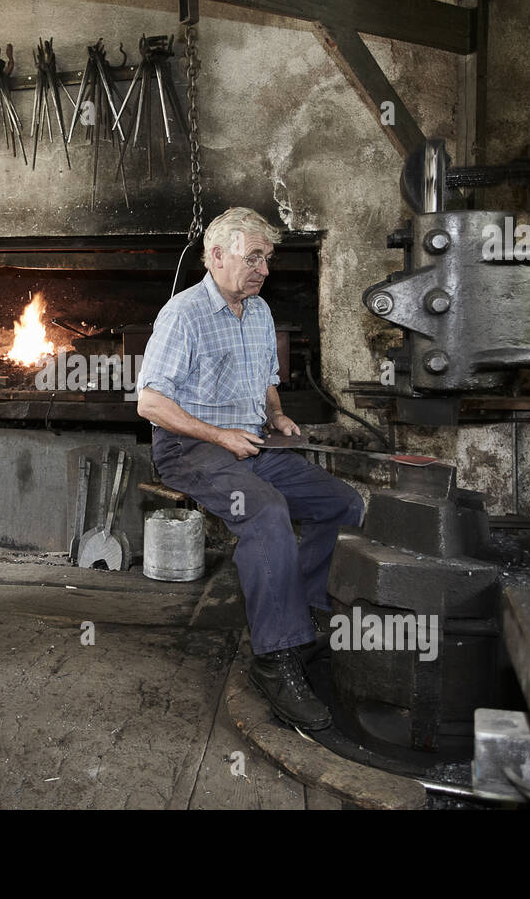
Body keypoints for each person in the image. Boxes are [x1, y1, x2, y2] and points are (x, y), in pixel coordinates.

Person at [136, 206, 364, 731]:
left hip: (251, 444)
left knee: (343, 503)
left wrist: (278, 415)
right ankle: (275, 660)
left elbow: (265, 377)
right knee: (266, 513)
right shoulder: (183, 314)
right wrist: (218, 436)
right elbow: (149, 403)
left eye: (268, 259)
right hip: (190, 449)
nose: (264, 268)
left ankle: (302, 614)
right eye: (254, 256)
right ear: (216, 257)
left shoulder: (257, 311)